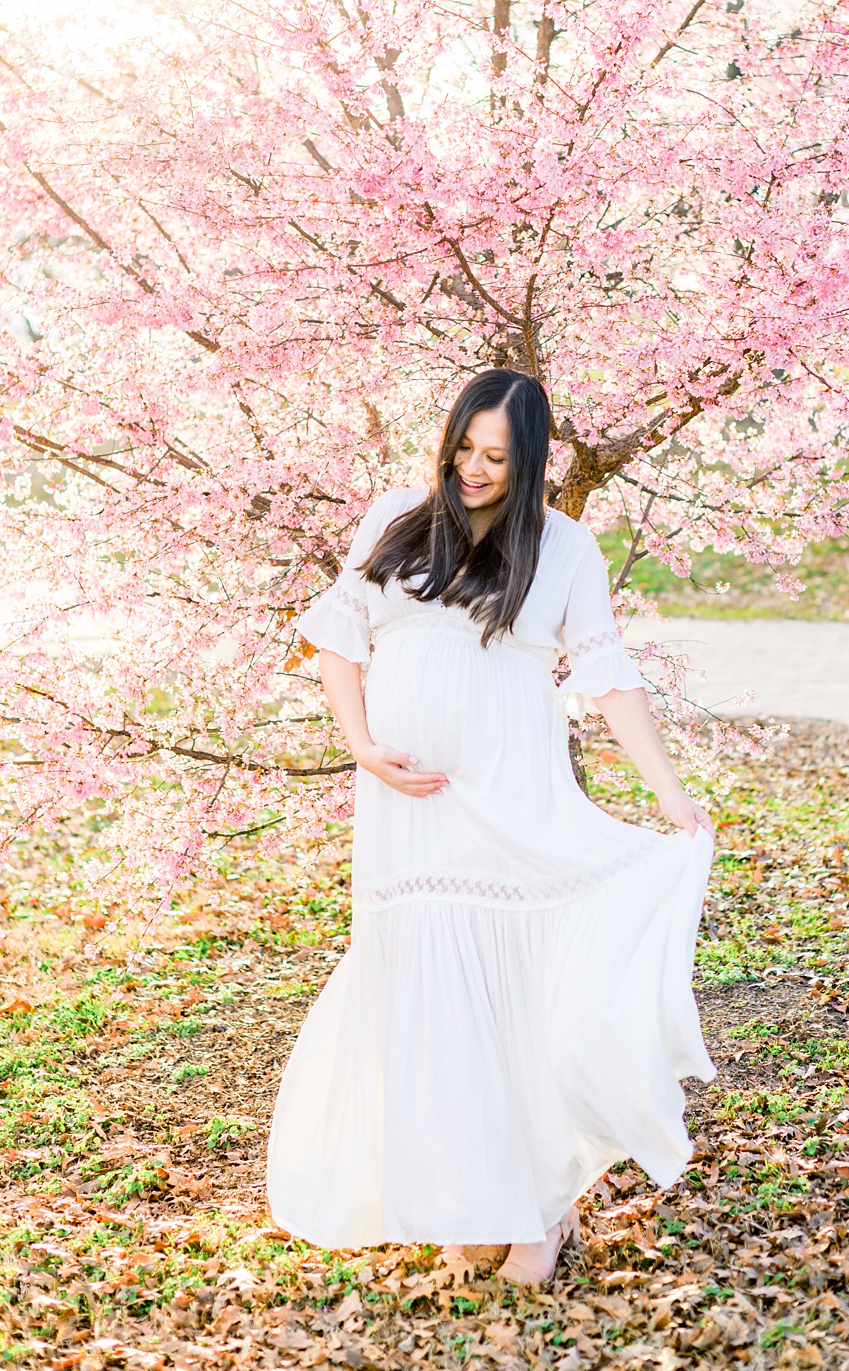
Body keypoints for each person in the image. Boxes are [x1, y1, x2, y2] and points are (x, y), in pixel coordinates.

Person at [267, 367, 715, 1286]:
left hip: (516, 798)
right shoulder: (398, 518)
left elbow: (606, 671)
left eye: (497, 457)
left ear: (533, 461)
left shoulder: (565, 548)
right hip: (408, 804)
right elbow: (336, 639)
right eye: (464, 447)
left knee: (518, 991)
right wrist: (360, 745)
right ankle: (469, 1192)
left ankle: (537, 1213)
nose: (473, 469)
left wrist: (669, 795)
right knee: (431, 992)